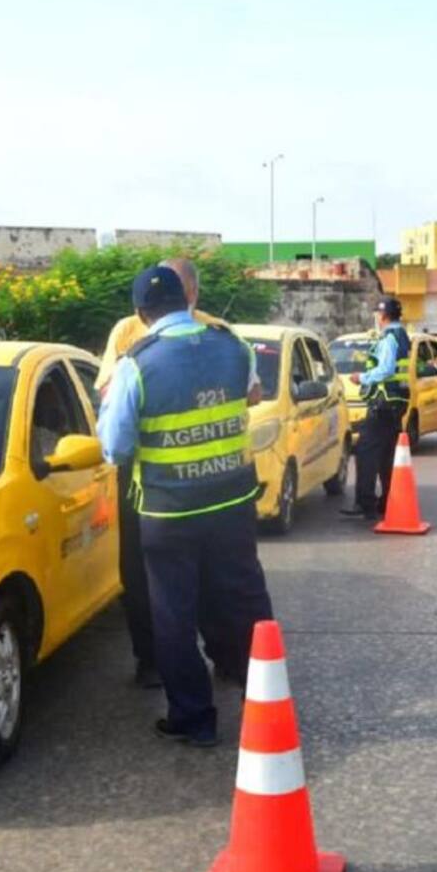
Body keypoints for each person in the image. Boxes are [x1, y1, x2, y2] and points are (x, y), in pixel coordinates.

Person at [96, 265, 274, 748]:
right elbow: (250, 394)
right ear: (189, 298)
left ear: (140, 313)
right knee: (246, 596)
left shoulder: (137, 363)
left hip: (168, 511)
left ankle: (195, 719)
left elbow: (114, 446)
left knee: (172, 613)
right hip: (233, 500)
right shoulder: (233, 346)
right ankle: (267, 690)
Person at [340, 297, 411, 521]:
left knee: (365, 451)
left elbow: (386, 369)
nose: (375, 318)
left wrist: (361, 377)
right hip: (394, 403)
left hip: (383, 403)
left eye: (377, 314)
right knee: (386, 455)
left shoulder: (390, 338)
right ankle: (388, 501)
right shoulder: (401, 335)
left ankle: (365, 502)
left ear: (383, 315)